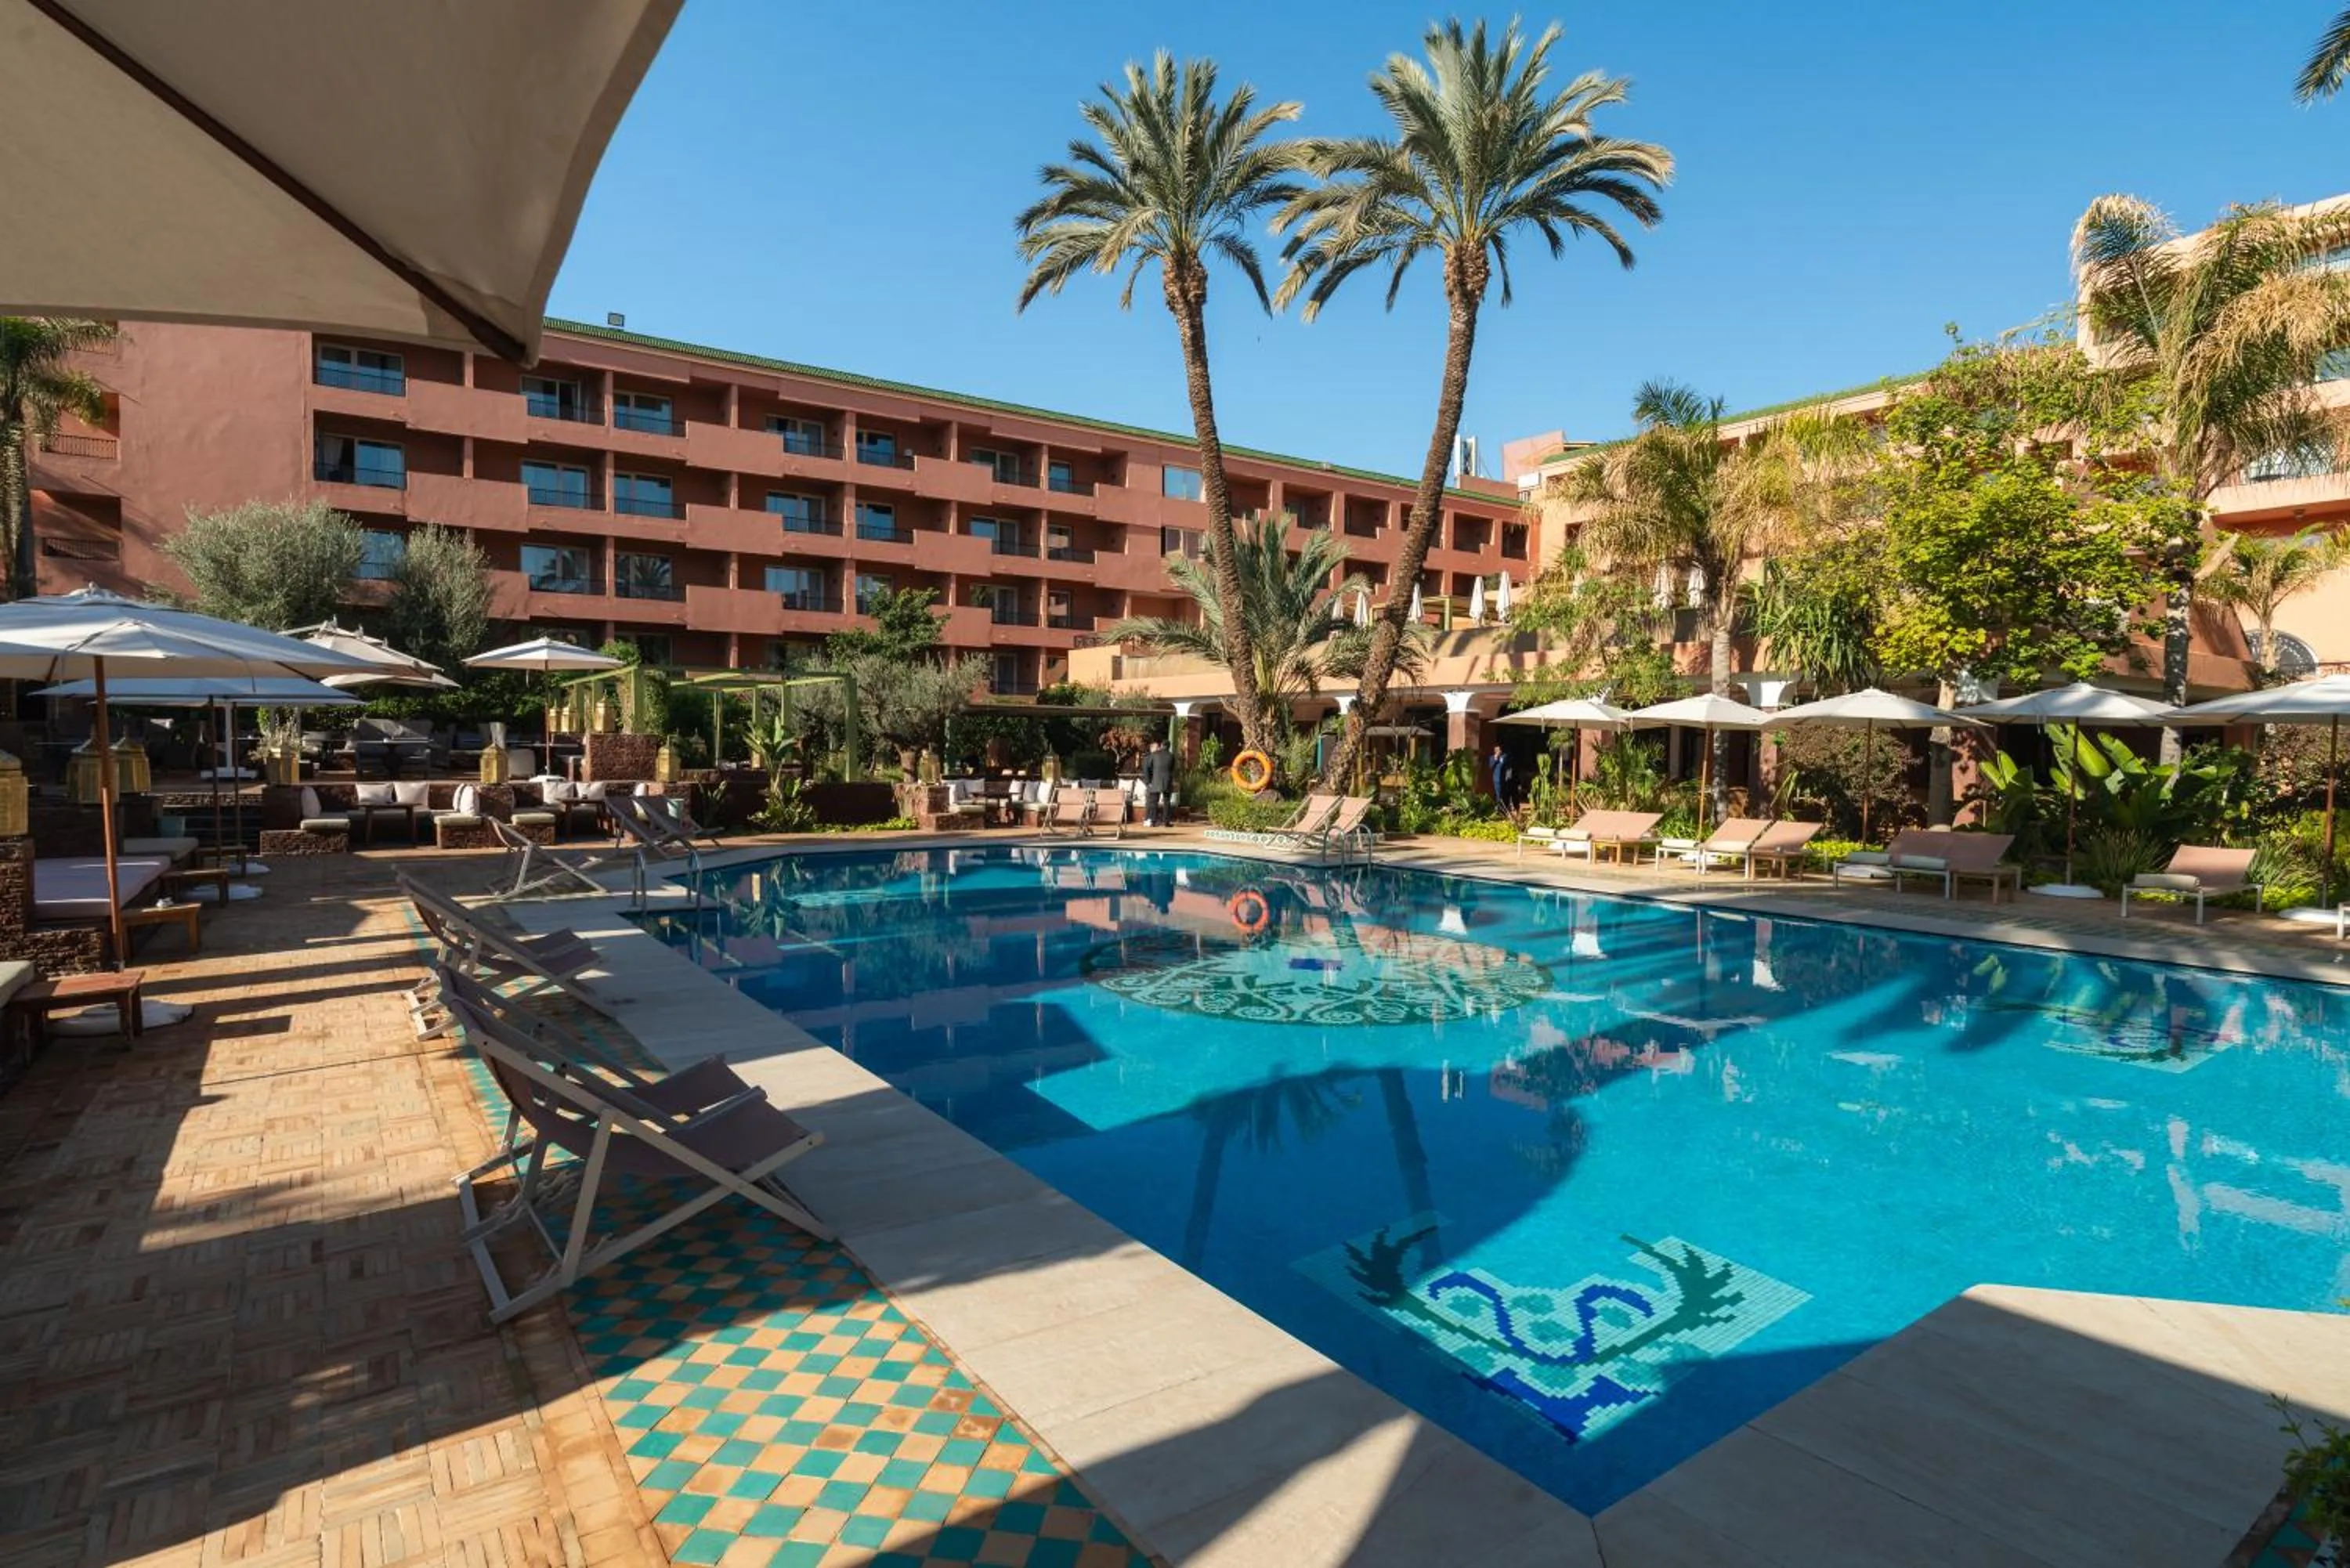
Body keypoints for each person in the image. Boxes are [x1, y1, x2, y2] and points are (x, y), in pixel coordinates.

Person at [1141, 738, 1177, 826]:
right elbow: (1172, 769)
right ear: (1169, 747)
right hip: (1167, 781)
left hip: (1156, 781)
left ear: (1161, 745)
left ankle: (1153, 820)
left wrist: (1149, 780)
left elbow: (1148, 766)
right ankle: (1166, 821)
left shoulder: (1155, 755)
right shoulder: (1171, 756)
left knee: (1154, 801)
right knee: (1167, 802)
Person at [1489, 743, 1513, 807]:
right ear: (1495, 751)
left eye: (1499, 750)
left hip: (1504, 779)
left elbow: (1509, 767)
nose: (1498, 751)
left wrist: (1509, 777)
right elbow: (1491, 766)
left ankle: (1505, 806)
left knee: (1505, 793)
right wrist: (1496, 758)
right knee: (1498, 794)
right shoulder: (1492, 758)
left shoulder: (1505, 756)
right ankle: (1499, 807)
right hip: (1496, 779)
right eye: (1497, 750)